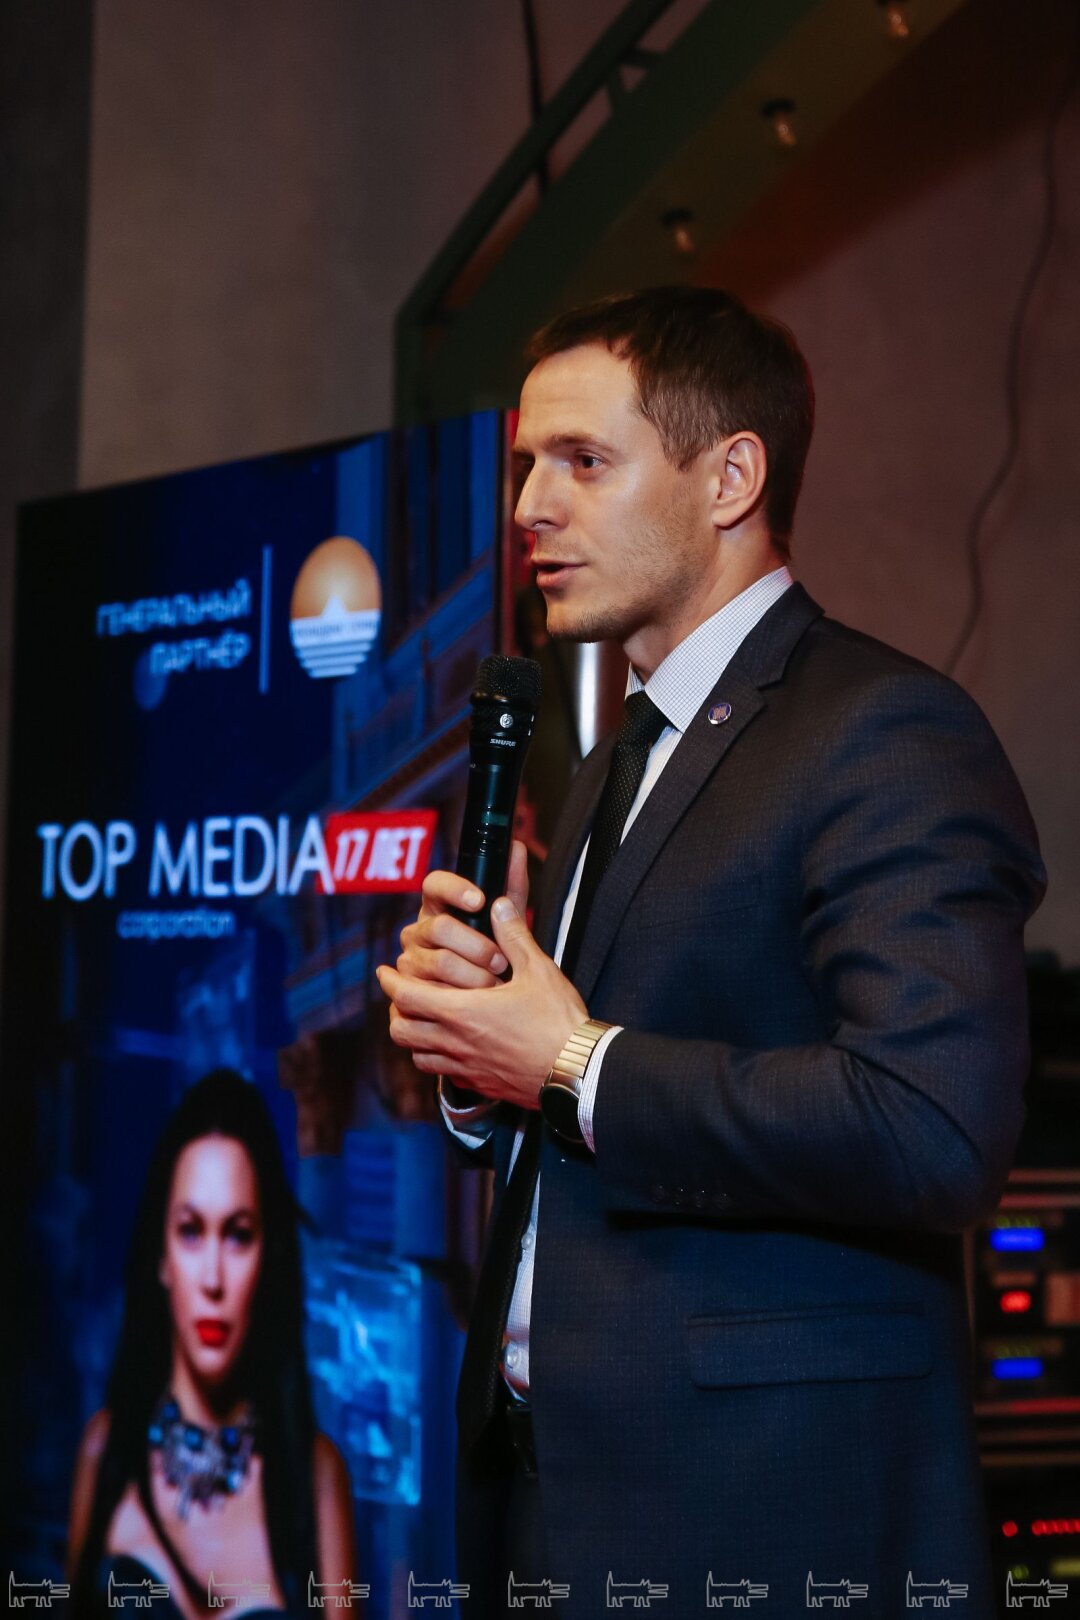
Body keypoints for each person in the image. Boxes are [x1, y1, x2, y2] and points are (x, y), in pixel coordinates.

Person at [376, 286, 1046, 1617]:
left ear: (731, 476)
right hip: (554, 1491)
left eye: (584, 461)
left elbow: (935, 1126)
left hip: (756, 1512)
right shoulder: (619, 757)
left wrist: (570, 1059)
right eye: (526, 467)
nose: (529, 508)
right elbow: (589, 1103)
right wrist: (482, 1053)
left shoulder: (884, 729)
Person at [67, 1068, 357, 1617]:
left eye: (238, 1235)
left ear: (267, 1259)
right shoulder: (105, 1451)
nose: (213, 1278)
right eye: (191, 1231)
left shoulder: (315, 1476)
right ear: (162, 1257)